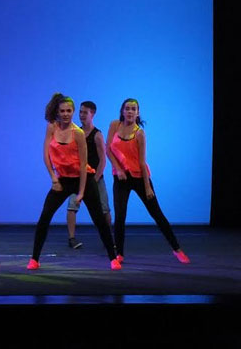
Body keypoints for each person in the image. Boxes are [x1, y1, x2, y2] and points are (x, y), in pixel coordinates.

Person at [28, 93, 120, 270]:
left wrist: (82, 192)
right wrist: (53, 178)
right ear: (57, 112)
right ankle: (34, 259)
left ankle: (113, 258)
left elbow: (84, 164)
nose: (65, 114)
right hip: (62, 180)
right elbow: (46, 155)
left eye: (69, 111)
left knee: (99, 219)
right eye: (62, 111)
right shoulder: (52, 127)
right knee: (44, 217)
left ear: (73, 112)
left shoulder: (78, 133)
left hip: (82, 179)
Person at [106, 98, 189, 264]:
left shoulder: (139, 133)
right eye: (127, 108)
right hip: (120, 178)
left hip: (139, 177)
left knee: (156, 213)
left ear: (138, 113)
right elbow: (108, 148)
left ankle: (177, 249)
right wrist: (119, 169)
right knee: (120, 216)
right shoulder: (115, 125)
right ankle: (119, 253)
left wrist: (147, 187)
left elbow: (142, 163)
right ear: (122, 111)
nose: (130, 111)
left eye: (133, 109)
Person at [66, 101, 112, 249]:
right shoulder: (76, 133)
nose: (81, 115)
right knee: (72, 206)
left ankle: (108, 239)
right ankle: (71, 239)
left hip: (94, 178)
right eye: (80, 112)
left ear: (92, 114)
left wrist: (95, 179)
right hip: (78, 178)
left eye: (85, 112)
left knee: (104, 209)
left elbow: (103, 161)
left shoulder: (97, 135)